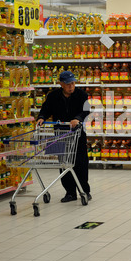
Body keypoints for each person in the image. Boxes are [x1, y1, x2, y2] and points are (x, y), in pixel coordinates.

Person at [36, 71, 91, 202]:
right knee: (63, 163)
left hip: (78, 134)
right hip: (60, 134)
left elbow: (86, 110)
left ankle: (84, 191)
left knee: (81, 163)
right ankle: (70, 192)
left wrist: (77, 118)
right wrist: (41, 117)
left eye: (72, 83)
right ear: (61, 84)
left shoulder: (82, 95)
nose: (71, 86)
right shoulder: (53, 96)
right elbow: (46, 109)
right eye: (67, 84)